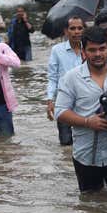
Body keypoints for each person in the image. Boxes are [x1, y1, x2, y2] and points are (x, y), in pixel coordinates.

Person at [55, 26, 107, 196]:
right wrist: (87, 122)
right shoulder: (71, 78)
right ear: (83, 52)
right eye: (92, 50)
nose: (97, 54)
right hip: (85, 156)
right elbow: (60, 112)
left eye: (102, 49)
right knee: (90, 206)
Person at [46, 16, 86, 145]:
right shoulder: (57, 50)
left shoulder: (90, 50)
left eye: (80, 28)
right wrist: (50, 100)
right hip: (64, 102)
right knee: (65, 143)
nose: (76, 32)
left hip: (86, 101)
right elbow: (52, 77)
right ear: (66, 31)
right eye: (72, 28)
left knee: (85, 140)